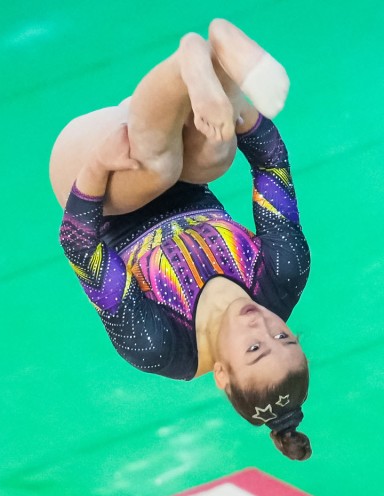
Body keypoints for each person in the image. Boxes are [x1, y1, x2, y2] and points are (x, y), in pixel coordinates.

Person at [49, 20, 313, 461]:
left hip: (100, 180)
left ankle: (198, 58)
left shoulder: (159, 346)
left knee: (158, 169)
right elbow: (270, 164)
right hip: (173, 139)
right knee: (216, 152)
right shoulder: (284, 274)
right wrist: (241, 116)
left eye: (254, 348)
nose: (262, 326)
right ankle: (213, 68)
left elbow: (80, 246)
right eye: (283, 337)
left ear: (222, 375)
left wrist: (97, 165)